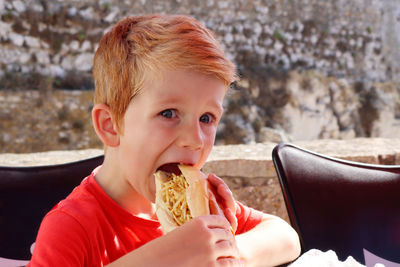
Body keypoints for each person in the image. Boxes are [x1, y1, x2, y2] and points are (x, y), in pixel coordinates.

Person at [28, 14, 301, 267]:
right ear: (110, 126)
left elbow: (286, 237)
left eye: (207, 118)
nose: (195, 139)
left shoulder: (197, 207)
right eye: (168, 113)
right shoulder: (71, 227)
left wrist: (227, 250)